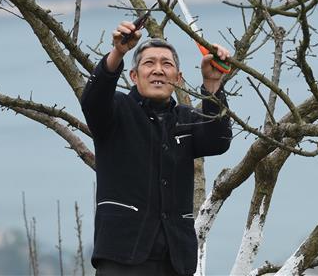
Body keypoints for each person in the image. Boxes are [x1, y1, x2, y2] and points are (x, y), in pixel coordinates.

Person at [80, 20, 232, 276]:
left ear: (178, 78)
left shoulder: (186, 117)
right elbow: (93, 100)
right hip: (122, 256)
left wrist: (213, 84)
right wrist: (118, 52)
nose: (158, 70)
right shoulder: (116, 110)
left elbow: (218, 140)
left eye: (167, 64)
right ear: (133, 75)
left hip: (175, 258)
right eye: (149, 63)